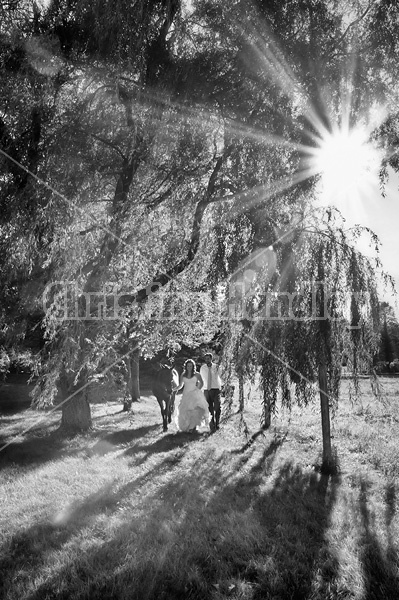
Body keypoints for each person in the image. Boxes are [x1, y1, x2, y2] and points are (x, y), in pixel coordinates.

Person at [174, 359, 209, 433]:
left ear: (193, 366)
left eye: (191, 366)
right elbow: (180, 385)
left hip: (194, 394)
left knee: (195, 410)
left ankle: (192, 427)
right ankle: (188, 426)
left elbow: (201, 383)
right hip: (186, 394)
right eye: (188, 366)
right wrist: (174, 389)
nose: (189, 367)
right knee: (186, 411)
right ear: (186, 366)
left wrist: (197, 389)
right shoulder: (183, 374)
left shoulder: (197, 374)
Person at [200, 353, 222, 431]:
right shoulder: (202, 368)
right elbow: (202, 379)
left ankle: (217, 423)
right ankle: (212, 424)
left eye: (208, 358)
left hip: (216, 389)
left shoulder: (216, 367)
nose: (207, 360)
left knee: (217, 407)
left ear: (211, 359)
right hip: (206, 390)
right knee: (209, 409)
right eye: (205, 359)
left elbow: (221, 376)